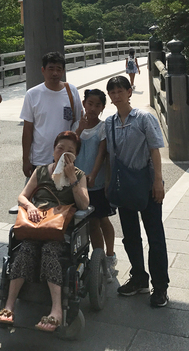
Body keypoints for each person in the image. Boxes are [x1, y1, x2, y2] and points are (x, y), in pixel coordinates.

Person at [0, 131, 89, 332]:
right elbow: (22, 196)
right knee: (25, 250)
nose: (63, 153)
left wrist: (72, 179)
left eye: (70, 151)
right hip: (36, 224)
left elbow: (84, 204)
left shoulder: (79, 175)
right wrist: (30, 207)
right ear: (53, 150)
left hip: (60, 229)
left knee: (50, 250)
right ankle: (9, 305)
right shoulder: (40, 171)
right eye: (60, 148)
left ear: (75, 156)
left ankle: (56, 310)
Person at [105, 75, 169, 308]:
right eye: (112, 92)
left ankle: (160, 286)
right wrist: (109, 185)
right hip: (124, 186)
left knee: (155, 235)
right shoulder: (109, 122)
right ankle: (139, 277)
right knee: (130, 235)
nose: (117, 95)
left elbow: (155, 150)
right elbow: (110, 158)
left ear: (129, 92)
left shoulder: (143, 117)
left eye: (120, 90)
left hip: (147, 183)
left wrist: (158, 181)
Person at [74, 88, 117, 279]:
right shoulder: (76, 125)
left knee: (99, 220)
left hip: (95, 183)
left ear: (102, 108)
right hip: (78, 184)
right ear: (84, 104)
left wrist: (93, 174)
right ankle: (102, 260)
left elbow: (101, 153)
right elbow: (70, 147)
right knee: (93, 222)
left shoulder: (103, 127)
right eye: (89, 103)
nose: (92, 108)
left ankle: (106, 258)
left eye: (97, 105)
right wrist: (79, 129)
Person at [20, 51, 82, 177]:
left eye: (59, 69)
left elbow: (79, 123)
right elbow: (27, 130)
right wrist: (25, 159)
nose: (55, 73)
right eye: (51, 69)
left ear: (63, 71)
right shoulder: (32, 94)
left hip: (66, 158)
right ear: (43, 70)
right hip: (40, 158)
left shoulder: (71, 91)